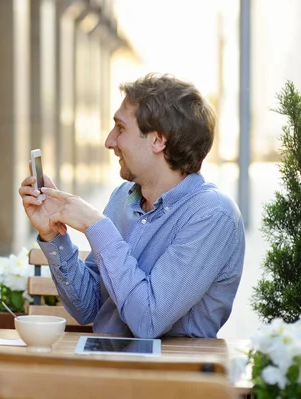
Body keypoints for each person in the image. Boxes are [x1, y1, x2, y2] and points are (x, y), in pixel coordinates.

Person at [19, 73, 245, 339]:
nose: (109, 141)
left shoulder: (212, 215)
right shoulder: (123, 197)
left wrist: (97, 226)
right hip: (108, 364)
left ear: (158, 140)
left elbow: (148, 321)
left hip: (170, 375)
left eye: (121, 128)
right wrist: (54, 236)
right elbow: (89, 309)